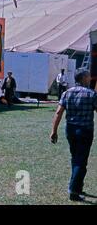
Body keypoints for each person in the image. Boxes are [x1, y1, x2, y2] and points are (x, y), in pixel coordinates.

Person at [50, 68, 97, 202]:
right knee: (81, 161)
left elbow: (58, 112)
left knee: (75, 158)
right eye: (88, 77)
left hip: (70, 130)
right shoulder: (91, 94)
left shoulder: (66, 93)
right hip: (85, 131)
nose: (90, 79)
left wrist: (53, 130)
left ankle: (77, 185)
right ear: (83, 78)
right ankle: (74, 191)